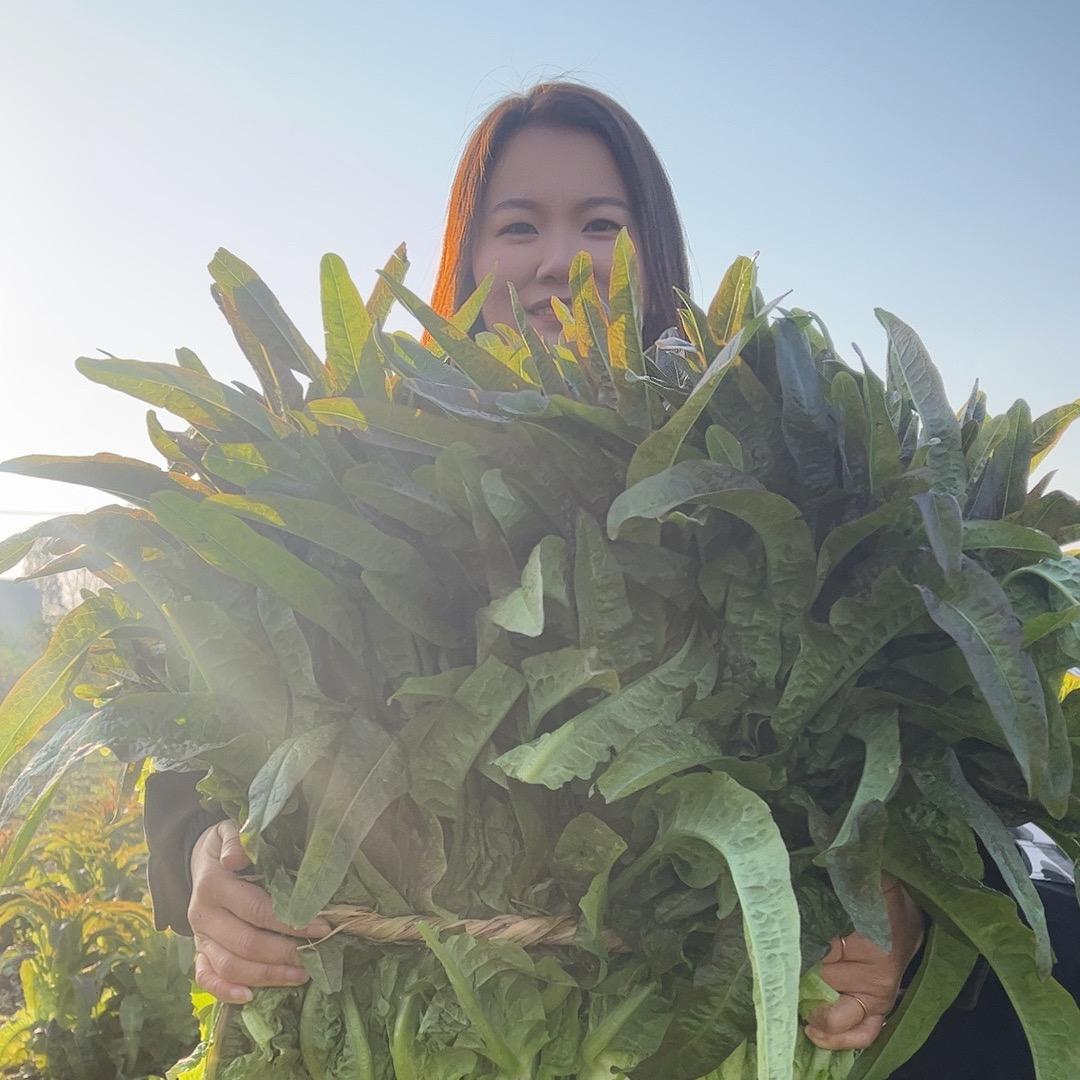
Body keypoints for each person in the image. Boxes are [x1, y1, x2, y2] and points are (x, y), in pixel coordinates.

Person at [143, 81, 928, 1054]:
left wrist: (899, 921)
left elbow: (909, 778)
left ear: (657, 257)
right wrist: (198, 858)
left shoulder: (762, 478)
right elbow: (216, 703)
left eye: (601, 223)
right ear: (466, 256)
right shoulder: (361, 462)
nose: (562, 260)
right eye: (519, 226)